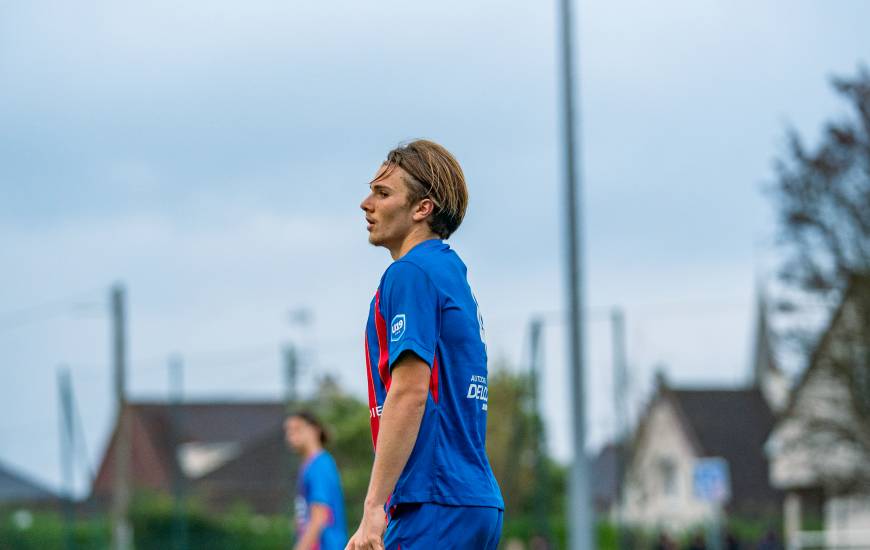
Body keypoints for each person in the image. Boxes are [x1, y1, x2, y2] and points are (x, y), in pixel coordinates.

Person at [347, 140, 504, 550]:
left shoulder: (410, 274)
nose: (366, 204)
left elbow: (411, 391)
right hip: (470, 501)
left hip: (433, 502)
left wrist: (373, 507)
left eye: (382, 193)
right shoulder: (449, 270)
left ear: (422, 208)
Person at [285, 411, 348, 550]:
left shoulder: (320, 465)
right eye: (288, 431)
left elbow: (319, 516)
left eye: (297, 429)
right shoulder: (309, 465)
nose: (290, 435)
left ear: (315, 430)